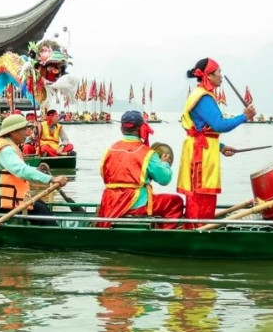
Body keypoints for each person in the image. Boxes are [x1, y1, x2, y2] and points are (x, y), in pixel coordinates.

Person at [178, 58, 255, 228]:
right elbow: (219, 124)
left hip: (203, 150)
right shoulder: (203, 97)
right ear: (208, 76)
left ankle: (199, 228)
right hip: (200, 155)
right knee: (201, 196)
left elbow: (202, 129)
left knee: (202, 196)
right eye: (218, 72)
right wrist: (244, 116)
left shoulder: (201, 95)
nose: (221, 75)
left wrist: (220, 147)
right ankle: (199, 231)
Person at [0, 114, 68, 225]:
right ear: (13, 131)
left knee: (41, 205)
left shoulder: (8, 145)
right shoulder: (5, 149)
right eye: (24, 129)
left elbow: (17, 168)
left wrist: (37, 169)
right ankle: (54, 236)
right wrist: (51, 179)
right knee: (40, 210)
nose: (27, 133)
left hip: (6, 197)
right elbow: (21, 170)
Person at [97, 111, 184, 229]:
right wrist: (164, 164)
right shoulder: (147, 153)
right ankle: (165, 236)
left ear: (121, 129)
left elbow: (104, 175)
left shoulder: (109, 150)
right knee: (175, 201)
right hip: (135, 205)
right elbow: (164, 179)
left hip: (110, 204)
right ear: (142, 129)